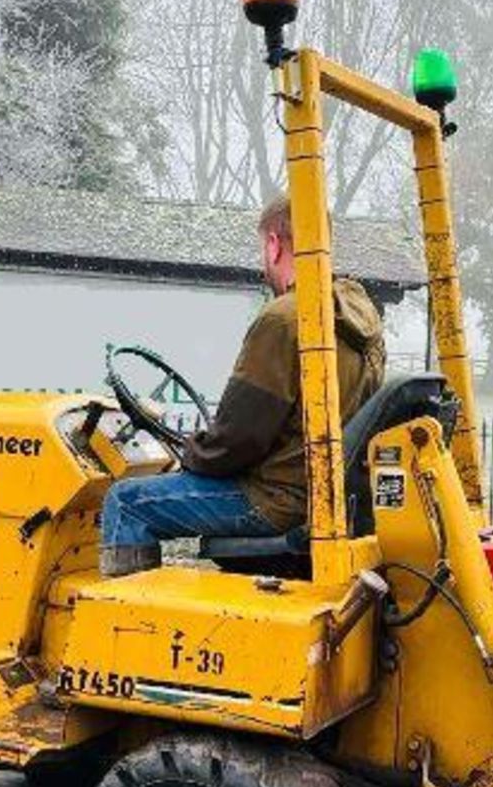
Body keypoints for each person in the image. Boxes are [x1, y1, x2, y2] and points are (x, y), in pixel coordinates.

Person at [99, 193, 387, 576]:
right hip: (326, 498)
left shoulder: (286, 319)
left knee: (125, 501)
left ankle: (126, 626)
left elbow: (239, 440)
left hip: (275, 500)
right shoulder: (360, 324)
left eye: (261, 250)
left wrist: (193, 451)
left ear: (273, 244)